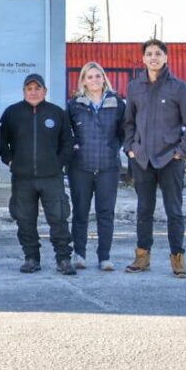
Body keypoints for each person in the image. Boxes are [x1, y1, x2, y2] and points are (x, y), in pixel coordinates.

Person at [123, 39, 186, 278]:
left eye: (158, 54)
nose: (153, 58)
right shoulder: (135, 87)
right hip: (142, 160)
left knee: (174, 211)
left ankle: (177, 258)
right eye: (149, 54)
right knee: (144, 210)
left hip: (170, 160)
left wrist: (180, 152)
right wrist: (130, 148)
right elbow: (128, 122)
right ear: (143, 59)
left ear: (166, 57)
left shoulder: (180, 88)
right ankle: (142, 256)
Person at [0, 73, 76, 275]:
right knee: (25, 220)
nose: (33, 92)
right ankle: (31, 258)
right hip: (22, 179)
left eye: (37, 88)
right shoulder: (12, 113)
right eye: (29, 88)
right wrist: (10, 160)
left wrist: (58, 163)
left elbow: (68, 143)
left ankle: (63, 259)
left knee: (59, 218)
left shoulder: (57, 113)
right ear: (24, 91)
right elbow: (1, 141)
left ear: (45, 91)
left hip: (51, 178)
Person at [67, 62, 125, 272]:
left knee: (105, 213)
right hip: (80, 167)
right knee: (80, 212)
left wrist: (113, 147)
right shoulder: (74, 105)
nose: (94, 80)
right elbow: (66, 131)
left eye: (97, 76)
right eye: (89, 77)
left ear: (104, 78)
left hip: (108, 167)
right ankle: (79, 254)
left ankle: (104, 257)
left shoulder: (116, 103)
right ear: (83, 81)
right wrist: (73, 145)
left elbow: (123, 131)